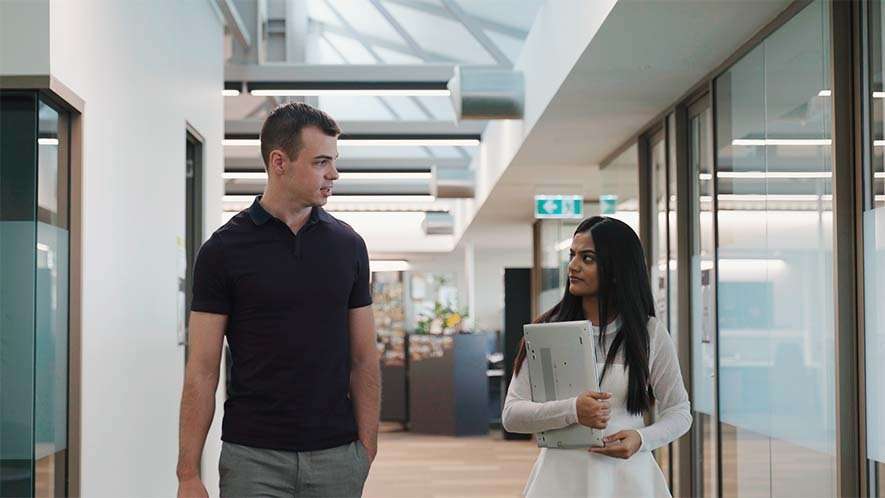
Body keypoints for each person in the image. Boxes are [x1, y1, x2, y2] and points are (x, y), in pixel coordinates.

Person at [176, 102, 380, 498]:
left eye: (334, 161)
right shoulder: (222, 251)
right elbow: (202, 369)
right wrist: (187, 472)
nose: (333, 174)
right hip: (253, 460)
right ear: (279, 162)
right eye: (321, 162)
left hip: (337, 456)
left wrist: (366, 448)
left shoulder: (349, 246)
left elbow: (363, 358)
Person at [502, 216, 691, 498]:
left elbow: (679, 411)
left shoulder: (648, 333)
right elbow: (512, 415)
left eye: (587, 258)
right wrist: (572, 410)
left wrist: (642, 438)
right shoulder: (545, 331)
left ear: (616, 269)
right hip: (560, 480)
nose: (573, 266)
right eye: (572, 255)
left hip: (629, 480)